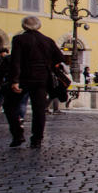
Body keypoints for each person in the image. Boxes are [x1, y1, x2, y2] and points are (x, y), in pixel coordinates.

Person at [4, 16, 64, 148]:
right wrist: (47, 64)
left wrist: (14, 80)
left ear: (24, 26)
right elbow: (60, 57)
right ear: (39, 26)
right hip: (42, 79)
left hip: (24, 78)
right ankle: (37, 139)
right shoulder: (47, 40)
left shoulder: (19, 39)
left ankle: (18, 134)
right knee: (39, 110)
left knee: (9, 106)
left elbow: (16, 61)